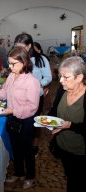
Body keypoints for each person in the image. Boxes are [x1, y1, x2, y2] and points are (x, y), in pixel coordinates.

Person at [0, 46, 40, 189]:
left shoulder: (32, 81)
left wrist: (11, 110)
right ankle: (19, 172)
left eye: (13, 63)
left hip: (26, 120)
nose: (10, 66)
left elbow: (32, 107)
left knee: (26, 150)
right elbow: (4, 93)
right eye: (9, 63)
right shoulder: (12, 76)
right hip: (12, 118)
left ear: (24, 62)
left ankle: (30, 176)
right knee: (16, 147)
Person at [48, 56, 86, 192]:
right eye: (60, 76)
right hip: (63, 146)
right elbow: (54, 110)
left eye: (66, 77)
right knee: (70, 176)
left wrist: (70, 125)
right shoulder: (62, 90)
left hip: (80, 152)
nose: (60, 81)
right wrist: (48, 121)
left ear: (79, 77)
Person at [14, 33, 52, 156]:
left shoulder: (40, 59)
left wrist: (37, 85)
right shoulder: (18, 58)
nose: (18, 50)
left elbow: (48, 77)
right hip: (20, 97)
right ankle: (22, 146)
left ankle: (33, 146)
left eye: (21, 47)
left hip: (35, 96)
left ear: (29, 46)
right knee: (21, 122)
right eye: (16, 47)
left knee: (34, 122)